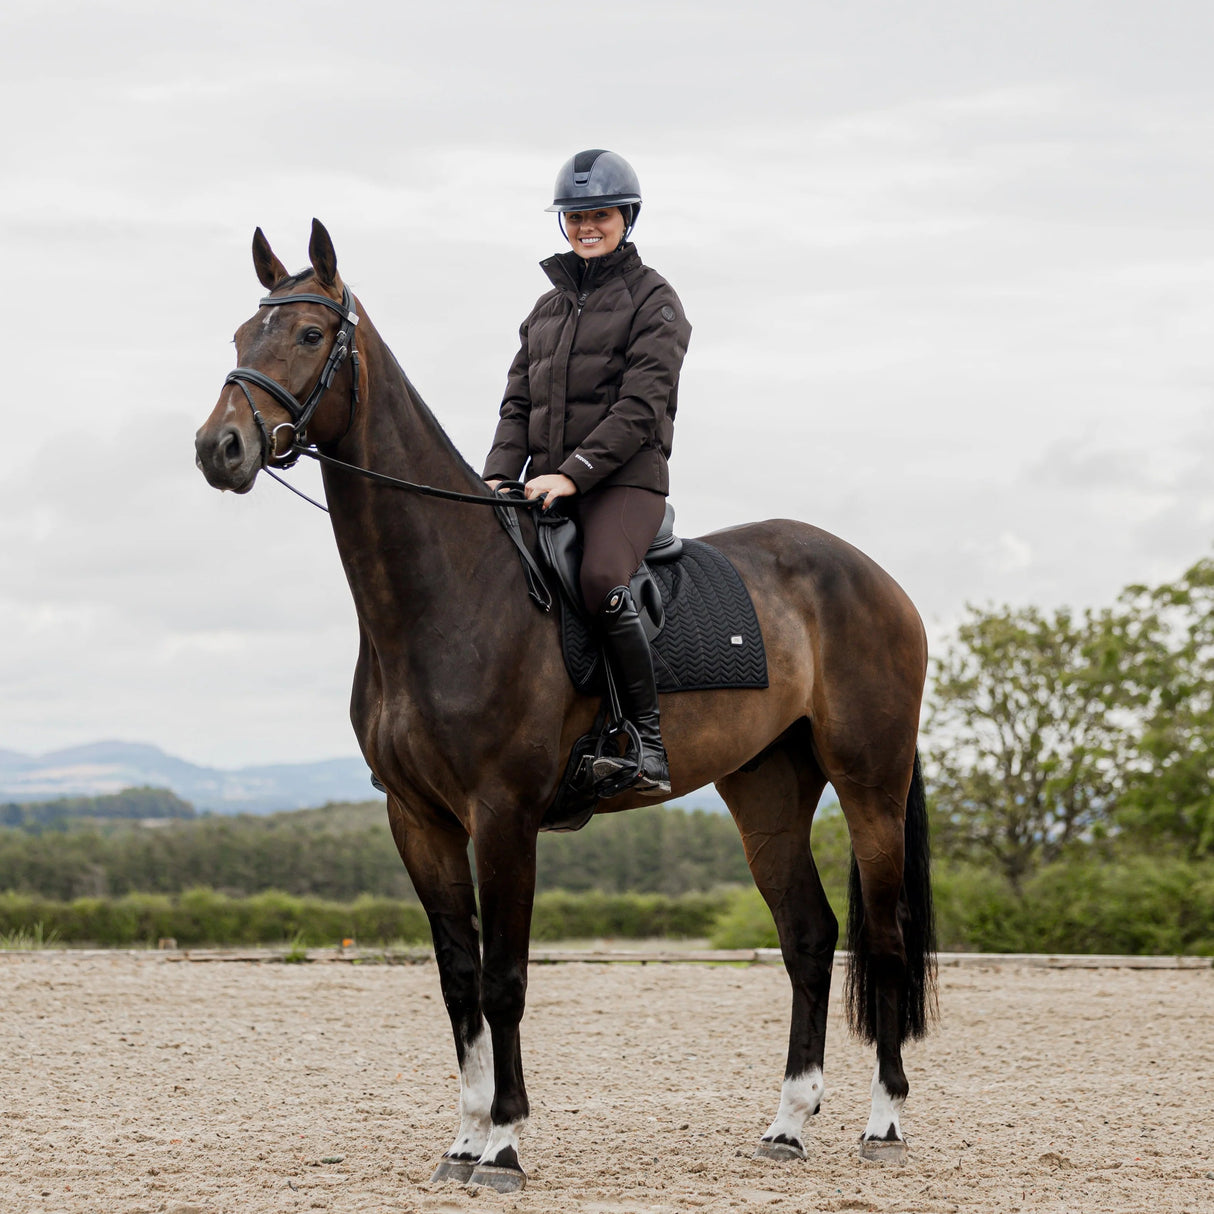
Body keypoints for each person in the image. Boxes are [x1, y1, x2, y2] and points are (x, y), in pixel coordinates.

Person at [483, 149, 692, 797]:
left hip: (625, 484)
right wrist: (496, 478)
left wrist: (574, 475)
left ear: (626, 217)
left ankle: (646, 741)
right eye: (575, 217)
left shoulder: (656, 302)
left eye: (598, 214)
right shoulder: (544, 313)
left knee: (601, 576)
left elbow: (639, 407)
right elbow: (518, 404)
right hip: (547, 483)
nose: (585, 227)